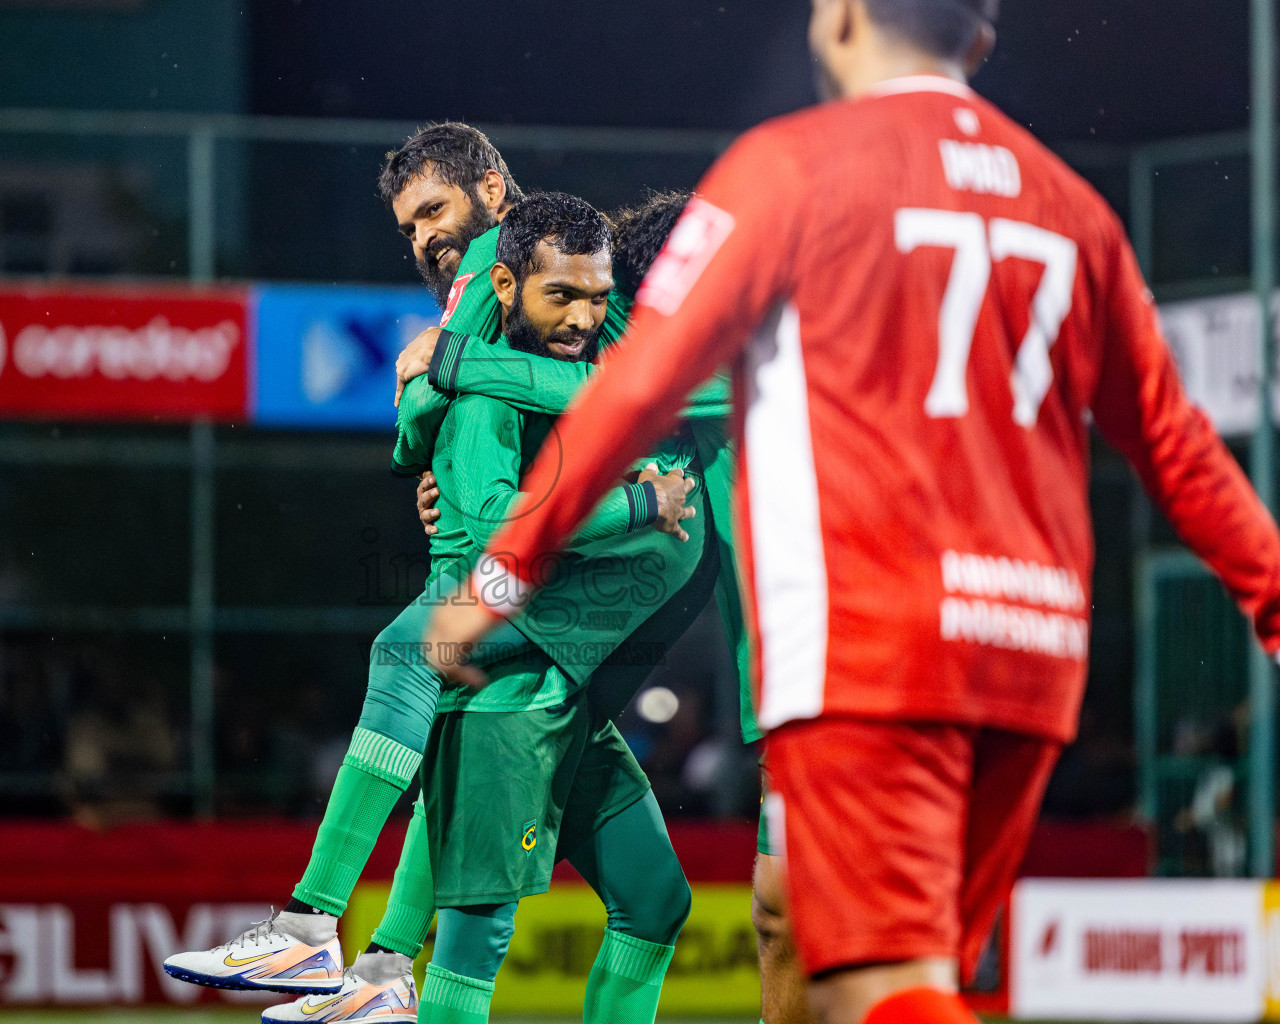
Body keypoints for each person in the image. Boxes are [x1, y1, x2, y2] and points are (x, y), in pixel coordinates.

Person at [420, 4, 1280, 1024]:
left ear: (839, 19)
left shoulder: (787, 170)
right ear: (981, 41)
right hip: (1031, 654)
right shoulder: (1072, 207)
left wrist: (501, 573)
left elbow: (633, 387)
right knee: (893, 971)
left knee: (876, 989)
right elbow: (1178, 449)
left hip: (874, 647)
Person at [163, 131, 697, 1016]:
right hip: (576, 613)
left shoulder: (509, 263)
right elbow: (417, 427)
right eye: (407, 225)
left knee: (414, 666)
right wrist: (432, 418)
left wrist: (448, 371)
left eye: (433, 211)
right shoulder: (501, 293)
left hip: (540, 596)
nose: (420, 236)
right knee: (635, 893)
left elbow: (615, 399)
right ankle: (378, 969)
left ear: (491, 190)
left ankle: (318, 934)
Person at [408, 192, 694, 1024]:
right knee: (471, 940)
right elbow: (508, 530)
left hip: (569, 691)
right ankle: (355, 938)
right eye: (562, 295)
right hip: (515, 692)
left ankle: (376, 950)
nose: (582, 314)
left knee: (655, 900)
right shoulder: (503, 393)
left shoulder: (588, 368)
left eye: (596, 296)